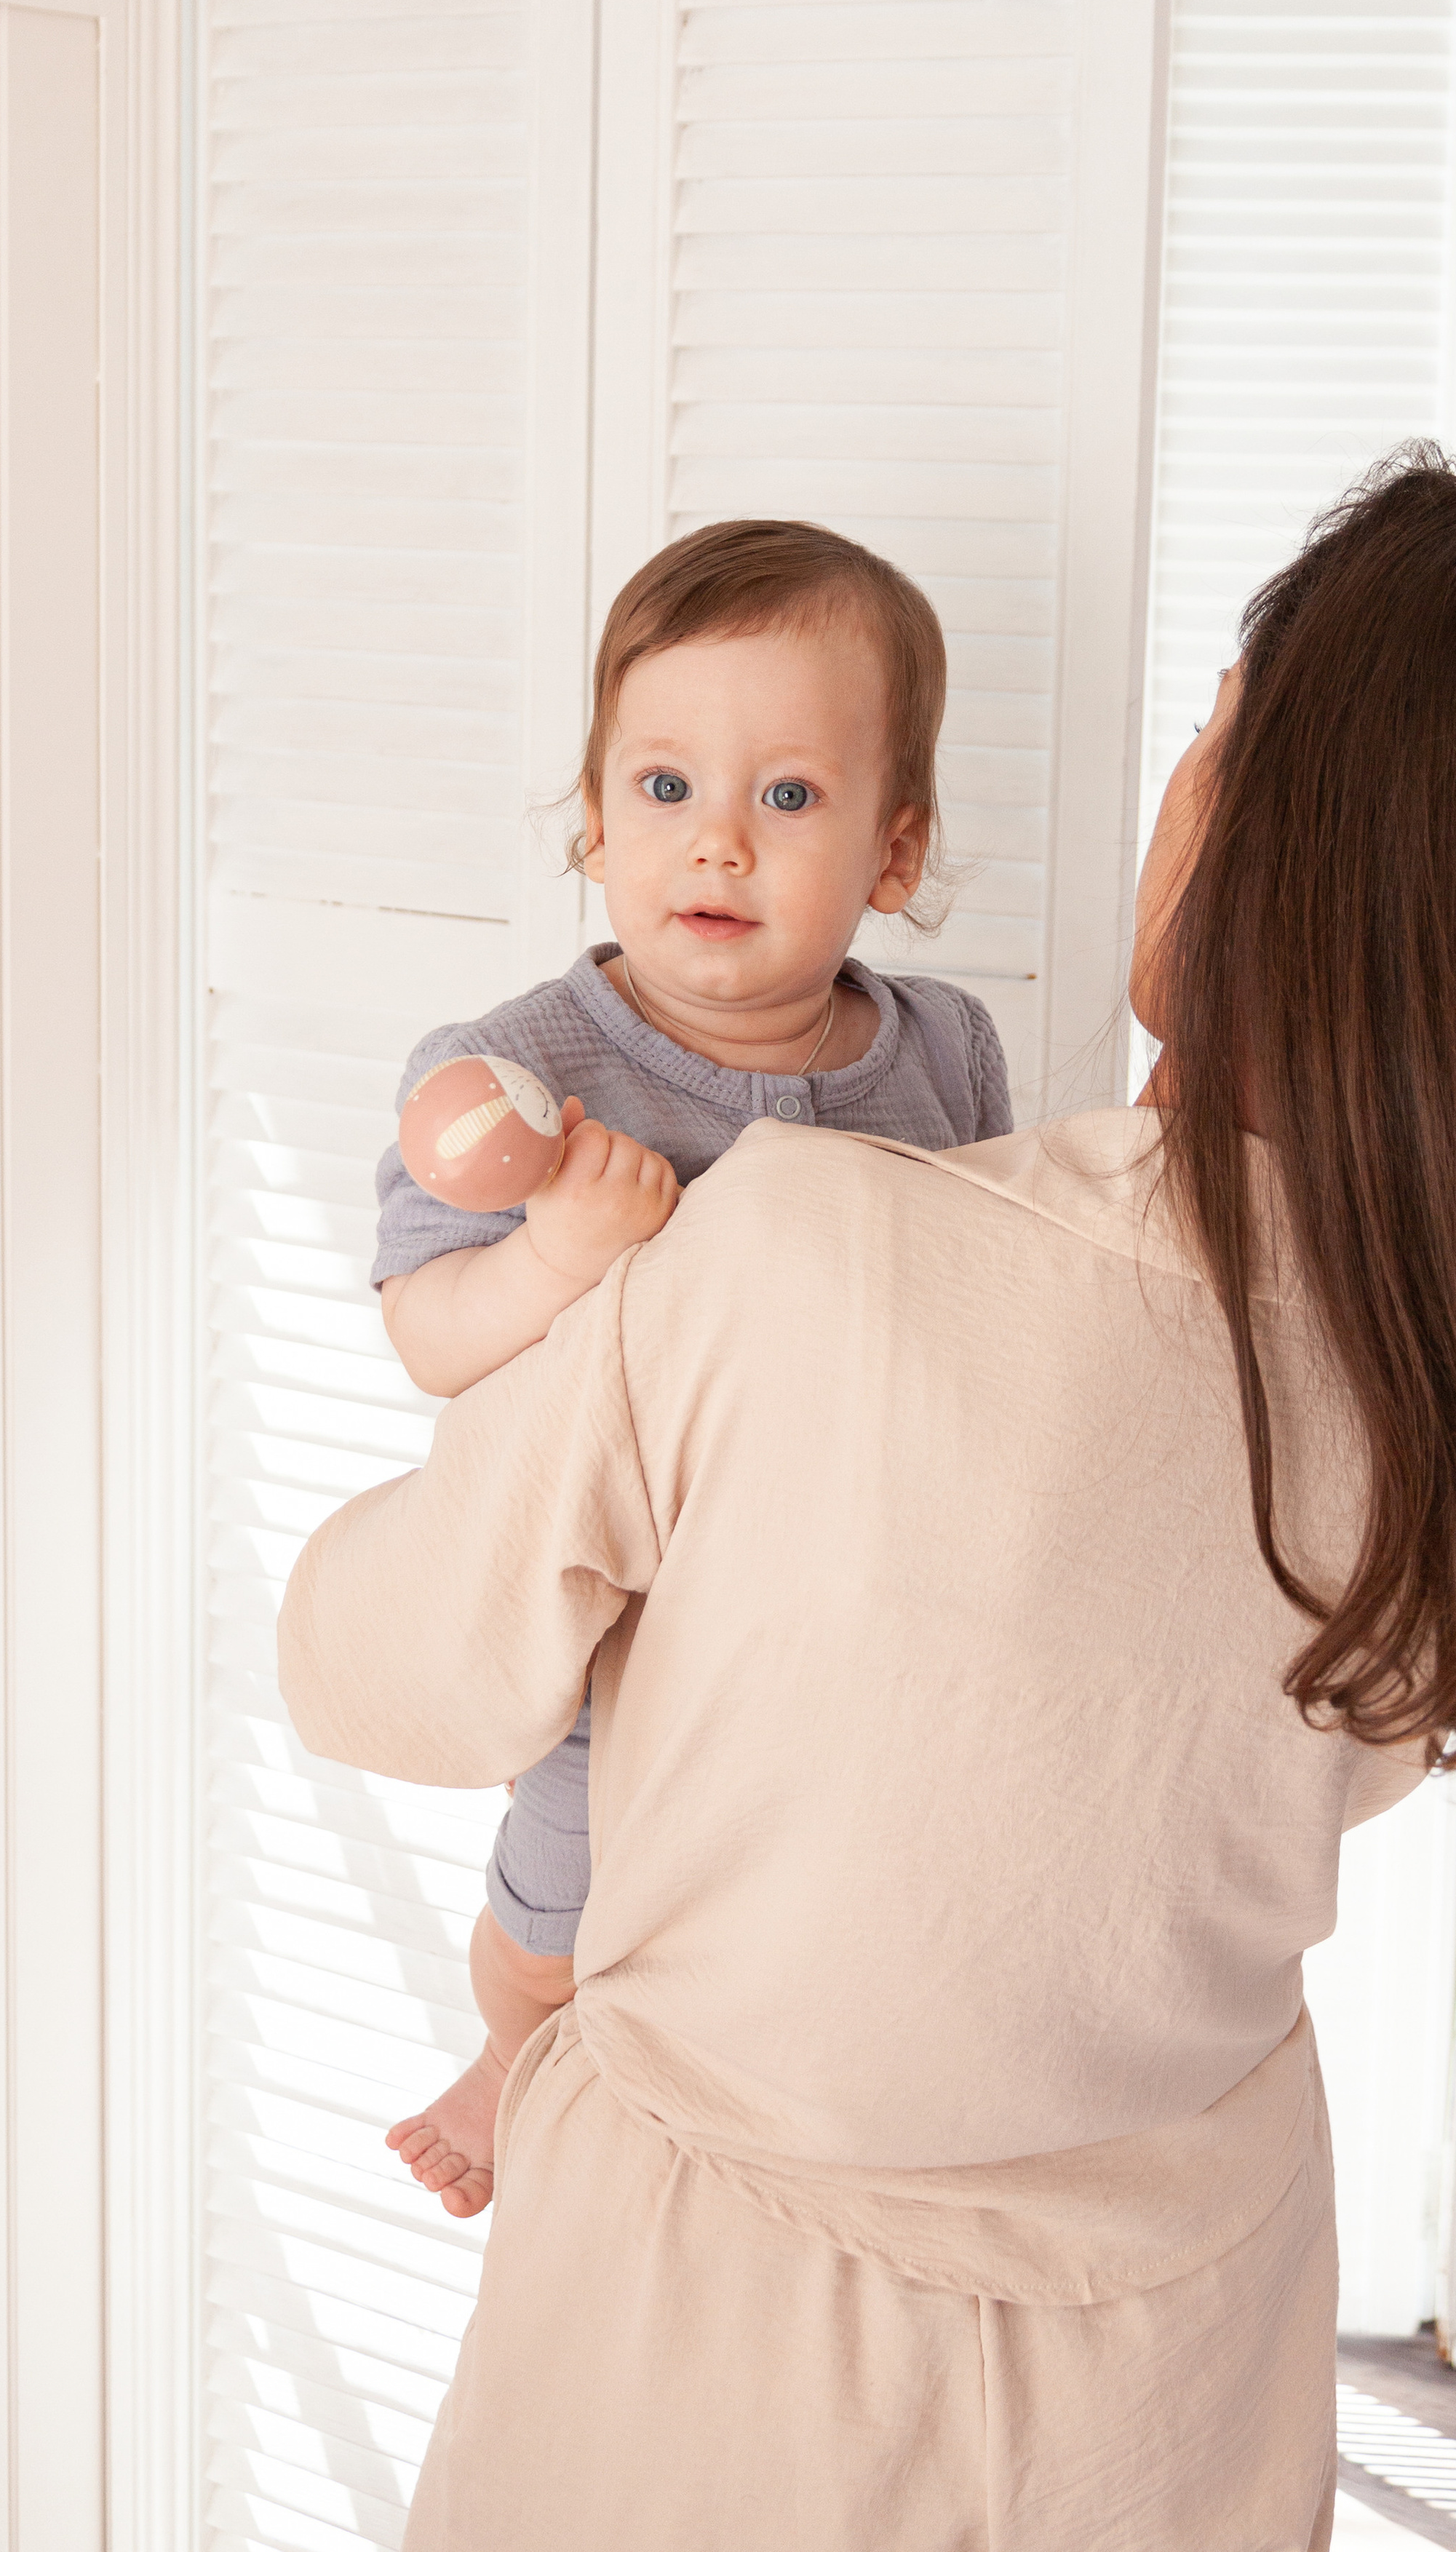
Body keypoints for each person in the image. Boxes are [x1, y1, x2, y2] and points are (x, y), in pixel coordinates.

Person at [280, 458, 1456, 2552]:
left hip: (723, 2361)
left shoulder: (801, 1256)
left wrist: (569, 1343)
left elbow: (380, 1669)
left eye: (1211, 736)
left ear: (1263, 834)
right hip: (1189, 2354)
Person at [375, 520, 1011, 2214]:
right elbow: (428, 1337)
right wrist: (561, 1252)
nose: (714, 840)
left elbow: (990, 1273)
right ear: (592, 816)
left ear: (895, 847)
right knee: (564, 1888)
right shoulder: (518, 1075)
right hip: (625, 1599)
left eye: (786, 800)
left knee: (862, 1874)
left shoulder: (941, 1049)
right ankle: (510, 2052)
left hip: (855, 1574)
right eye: (661, 788)